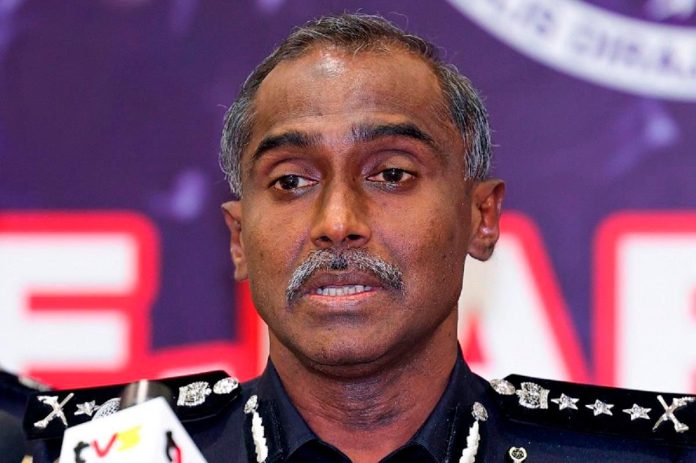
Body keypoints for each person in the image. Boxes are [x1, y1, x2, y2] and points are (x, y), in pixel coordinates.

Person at [24, 13, 696, 462]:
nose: (337, 220)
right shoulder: (97, 452)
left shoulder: (642, 454)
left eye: (392, 174)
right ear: (238, 236)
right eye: (291, 181)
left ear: (481, 217)